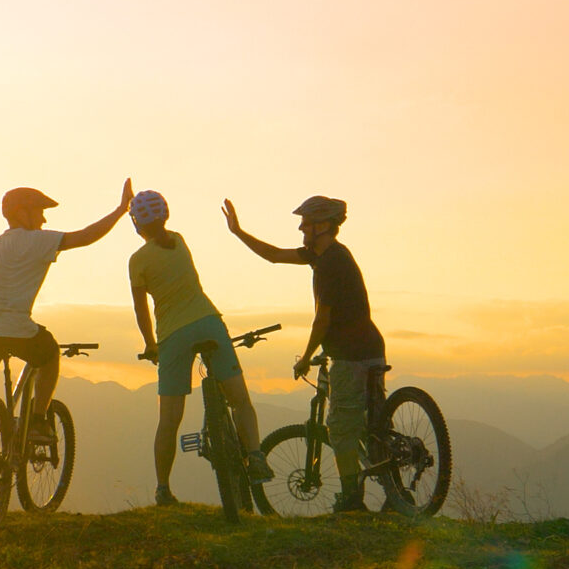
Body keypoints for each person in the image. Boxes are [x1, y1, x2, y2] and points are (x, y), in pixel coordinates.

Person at [0, 180, 133, 517]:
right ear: (21, 212)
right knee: (49, 354)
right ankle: (37, 419)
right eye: (40, 211)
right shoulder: (37, 241)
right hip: (16, 329)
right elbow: (86, 236)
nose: (44, 220)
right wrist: (121, 211)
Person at [221, 194, 412, 513]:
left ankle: (352, 499)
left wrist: (307, 356)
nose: (301, 228)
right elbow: (273, 255)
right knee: (372, 427)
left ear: (323, 225)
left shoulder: (329, 264)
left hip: (351, 356)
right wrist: (238, 232)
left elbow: (322, 318)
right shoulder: (328, 255)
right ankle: (397, 496)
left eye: (306, 223)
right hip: (370, 348)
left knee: (340, 428)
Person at [124, 189, 260, 506]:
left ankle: (162, 489)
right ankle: (256, 456)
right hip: (209, 322)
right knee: (240, 400)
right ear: (166, 215)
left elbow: (140, 309)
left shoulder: (137, 260)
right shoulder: (180, 241)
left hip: (172, 335)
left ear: (136, 224)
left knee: (169, 420)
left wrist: (150, 344)